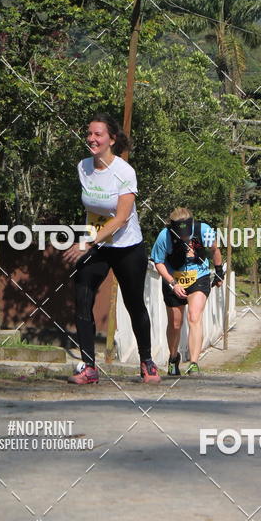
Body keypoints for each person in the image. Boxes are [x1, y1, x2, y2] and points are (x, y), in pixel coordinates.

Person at [64, 113, 161, 385]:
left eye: (98, 134)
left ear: (112, 139)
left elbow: (120, 219)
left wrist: (89, 241)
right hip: (96, 245)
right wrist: (89, 240)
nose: (92, 139)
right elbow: (91, 210)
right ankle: (89, 367)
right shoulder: (83, 167)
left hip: (126, 246)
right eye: (89, 134)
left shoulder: (125, 172)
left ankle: (147, 362)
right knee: (82, 298)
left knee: (134, 304)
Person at [151, 207, 224, 376]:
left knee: (194, 317)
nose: (184, 237)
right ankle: (173, 357)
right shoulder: (165, 236)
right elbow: (158, 262)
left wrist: (219, 272)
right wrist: (173, 283)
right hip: (173, 278)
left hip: (199, 276)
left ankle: (193, 363)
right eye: (180, 234)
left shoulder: (203, 230)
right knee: (176, 323)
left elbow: (214, 250)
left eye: (187, 234)